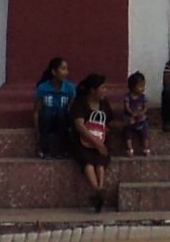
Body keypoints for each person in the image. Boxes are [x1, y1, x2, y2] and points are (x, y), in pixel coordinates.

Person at [70, 71, 114, 211]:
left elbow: (109, 122)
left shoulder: (104, 104)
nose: (104, 91)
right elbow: (80, 126)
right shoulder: (80, 104)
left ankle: (100, 188)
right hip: (83, 141)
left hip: (100, 140)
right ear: (92, 90)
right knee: (87, 161)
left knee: (100, 161)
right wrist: (96, 143)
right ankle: (97, 190)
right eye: (102, 88)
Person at [34, 56, 75, 158]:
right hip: (46, 121)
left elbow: (72, 109)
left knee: (62, 113)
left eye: (67, 69)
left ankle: (64, 150)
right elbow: (36, 111)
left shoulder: (70, 88)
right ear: (54, 72)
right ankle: (44, 150)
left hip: (63, 121)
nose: (66, 72)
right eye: (63, 69)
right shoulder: (43, 88)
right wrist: (37, 131)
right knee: (47, 113)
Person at [122, 71, 151, 155]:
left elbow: (145, 107)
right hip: (130, 118)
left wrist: (141, 113)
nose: (143, 88)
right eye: (140, 86)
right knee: (127, 132)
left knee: (145, 132)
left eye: (143, 86)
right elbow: (126, 107)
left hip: (140, 118)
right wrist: (132, 113)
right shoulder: (128, 96)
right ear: (133, 87)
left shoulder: (143, 97)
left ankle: (146, 148)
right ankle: (130, 148)